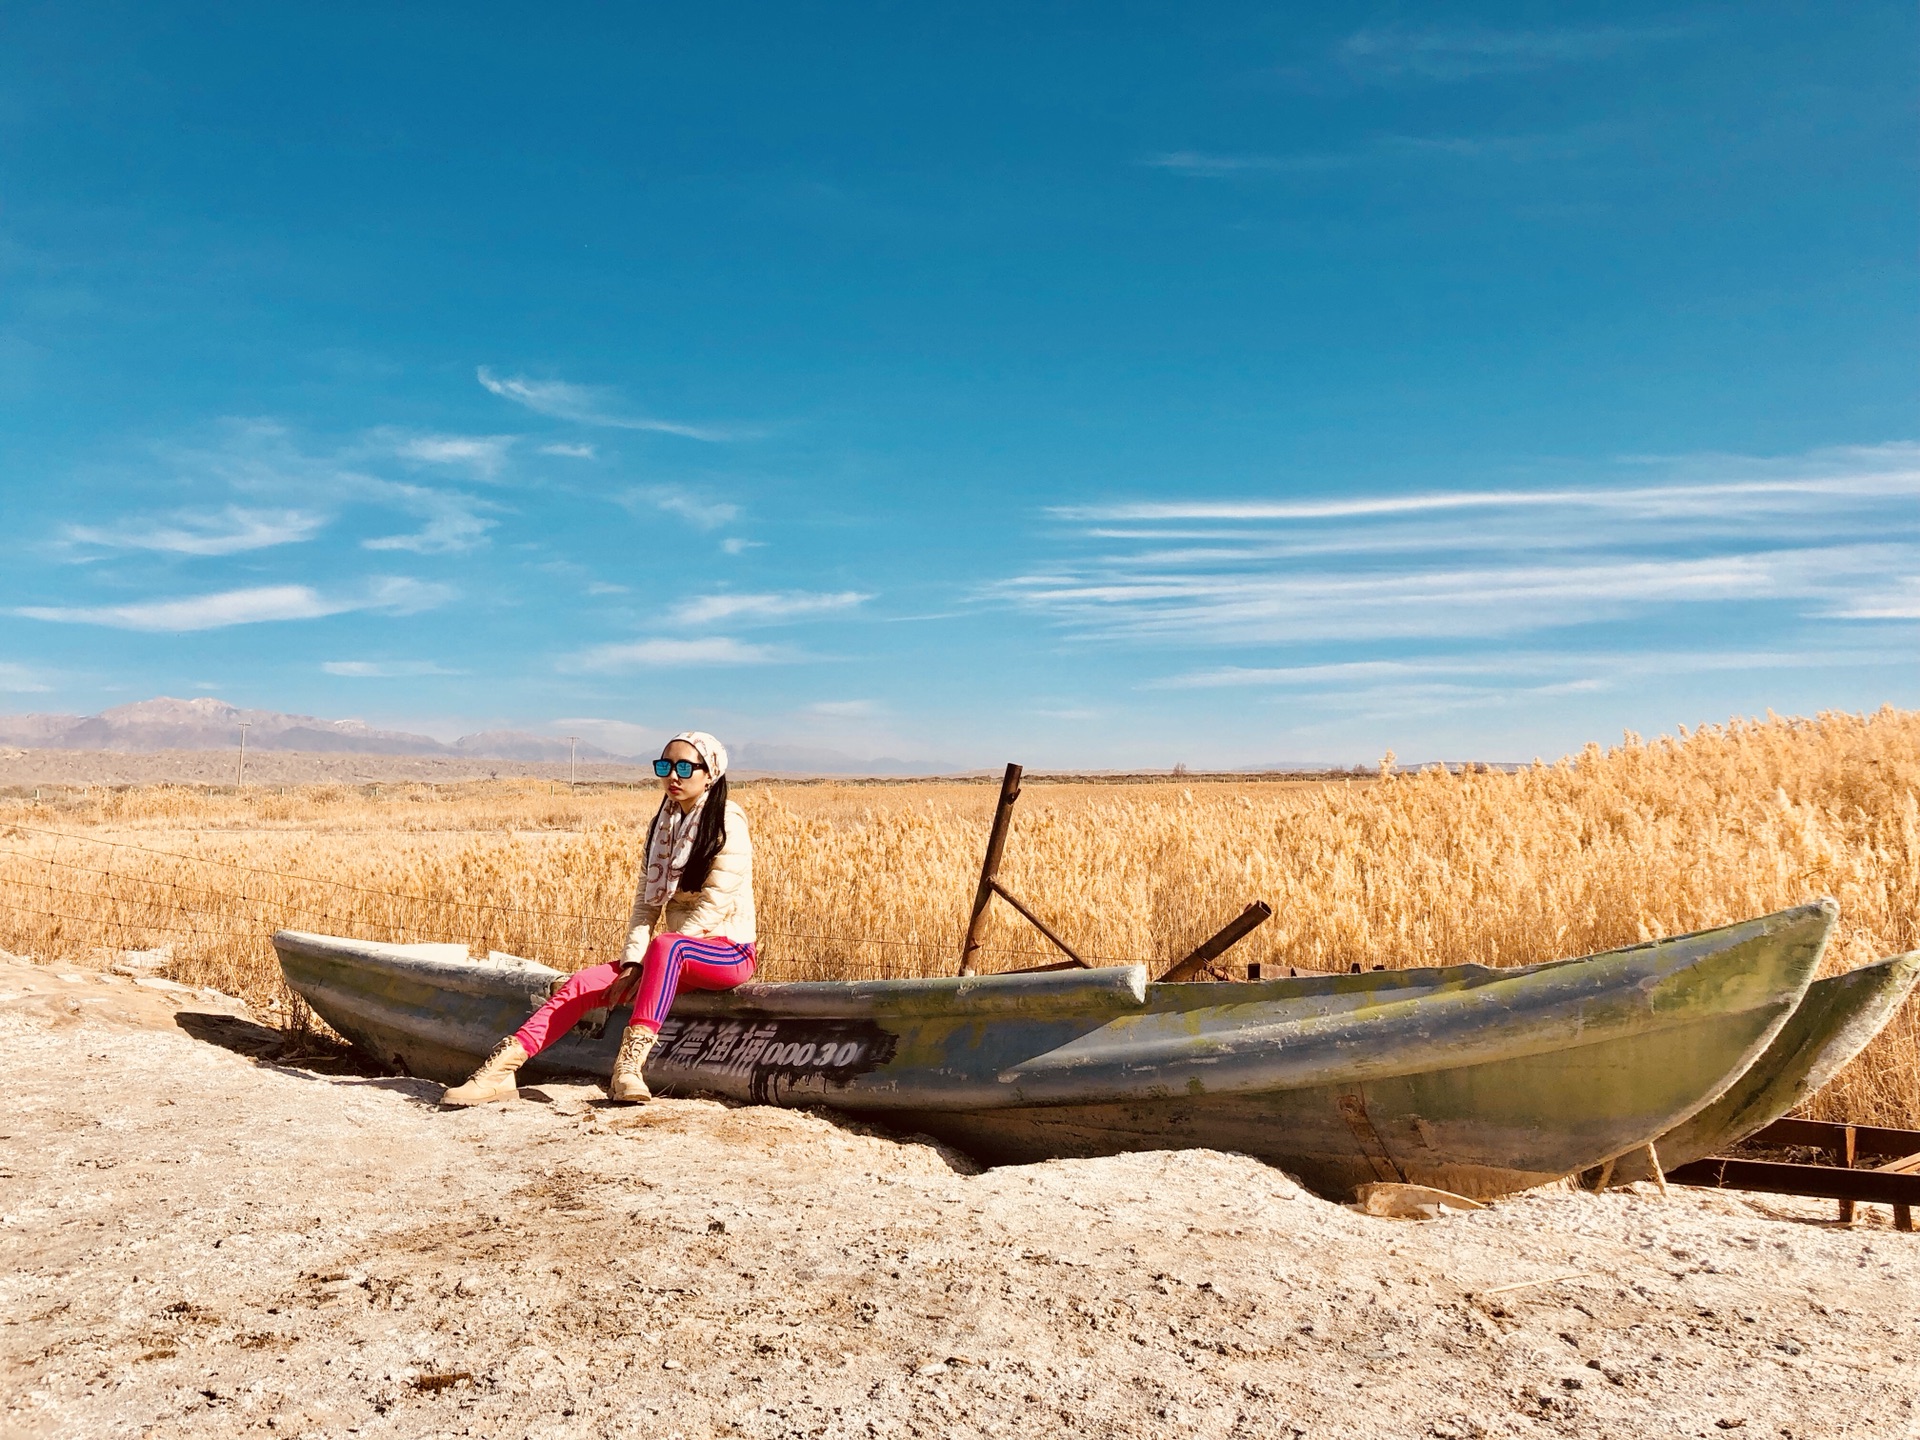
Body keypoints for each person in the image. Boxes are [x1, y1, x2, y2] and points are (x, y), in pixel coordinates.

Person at [441, 730, 756, 1106]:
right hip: (671, 958)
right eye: (665, 765)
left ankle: (627, 1070)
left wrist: (656, 958)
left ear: (711, 774)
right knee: (583, 982)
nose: (673, 775)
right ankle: (501, 1071)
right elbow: (646, 907)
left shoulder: (726, 822)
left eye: (685, 767)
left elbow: (714, 906)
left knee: (667, 945)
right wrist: (632, 962)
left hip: (728, 953)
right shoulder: (663, 827)